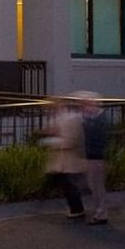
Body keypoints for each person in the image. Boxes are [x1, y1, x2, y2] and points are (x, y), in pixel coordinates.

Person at [39, 97, 86, 219]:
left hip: (68, 158)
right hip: (61, 159)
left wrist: (52, 141)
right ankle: (75, 208)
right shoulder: (59, 118)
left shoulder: (70, 119)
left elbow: (70, 141)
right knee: (64, 182)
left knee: (68, 184)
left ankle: (77, 209)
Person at [76, 90, 111, 224]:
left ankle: (101, 213)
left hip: (97, 156)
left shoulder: (99, 120)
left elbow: (95, 136)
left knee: (97, 186)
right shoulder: (97, 119)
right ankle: (100, 212)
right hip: (95, 156)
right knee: (95, 185)